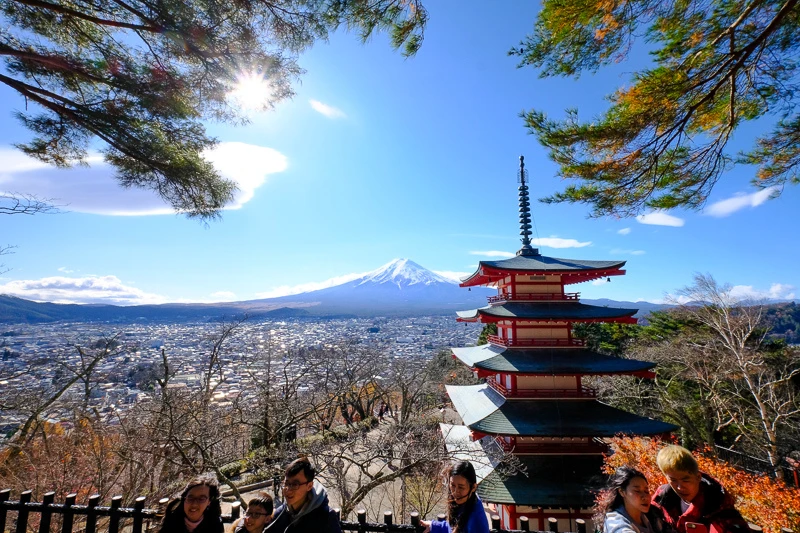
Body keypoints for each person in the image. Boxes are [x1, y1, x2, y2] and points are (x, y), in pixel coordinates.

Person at [651, 445, 748, 533]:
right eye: (673, 480)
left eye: (685, 480)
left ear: (698, 477)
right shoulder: (661, 499)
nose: (680, 487)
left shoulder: (718, 504)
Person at [264, 457, 342, 533]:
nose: (288, 489)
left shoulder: (326, 517)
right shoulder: (279, 515)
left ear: (309, 486)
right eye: (286, 483)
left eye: (295, 484)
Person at [597, 465, 673, 533]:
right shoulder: (614, 521)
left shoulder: (652, 517)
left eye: (646, 491)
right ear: (622, 492)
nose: (645, 497)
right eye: (637, 491)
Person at [421, 461, 489, 533]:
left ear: (473, 487)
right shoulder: (468, 502)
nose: (455, 492)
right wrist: (434, 526)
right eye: (453, 485)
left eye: (461, 487)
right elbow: (454, 528)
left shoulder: (476, 521)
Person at [158, 474, 224, 533]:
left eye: (201, 499)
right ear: (184, 498)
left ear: (209, 502)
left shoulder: (215, 524)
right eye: (190, 498)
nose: (194, 504)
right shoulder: (171, 520)